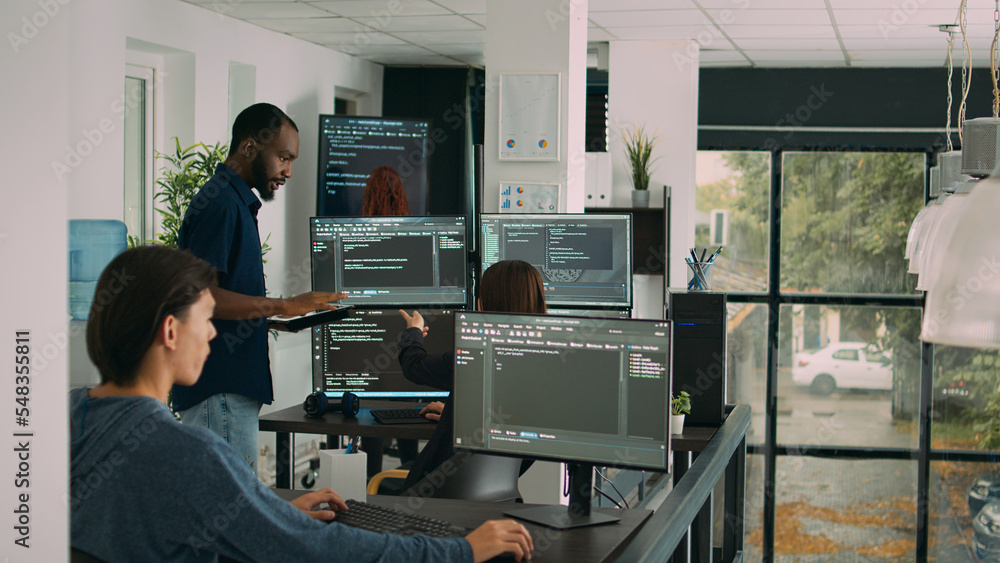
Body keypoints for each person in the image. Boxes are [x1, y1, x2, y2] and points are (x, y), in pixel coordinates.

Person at [70, 245, 534, 562]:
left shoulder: (61, 421)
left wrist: (267, 513)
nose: (212, 333)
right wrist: (464, 551)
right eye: (206, 321)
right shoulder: (192, 456)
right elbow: (321, 553)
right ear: (171, 332)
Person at [174, 103, 346, 470]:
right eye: (283, 157)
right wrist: (285, 307)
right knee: (230, 510)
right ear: (250, 148)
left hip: (229, 387)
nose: (288, 171)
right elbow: (202, 298)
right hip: (218, 388)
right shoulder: (220, 204)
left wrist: (287, 315)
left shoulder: (234, 201)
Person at [397, 260, 547, 490]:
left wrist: (413, 331)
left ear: (483, 302)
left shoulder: (477, 354)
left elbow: (415, 366)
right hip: (494, 496)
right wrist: (456, 416)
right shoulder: (546, 360)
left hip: (433, 498)